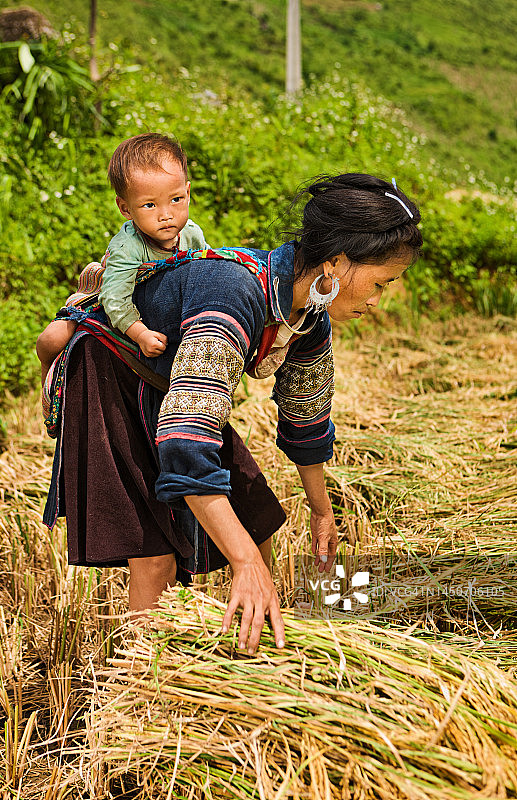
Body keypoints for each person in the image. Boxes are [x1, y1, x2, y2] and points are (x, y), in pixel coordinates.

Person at [42, 173, 422, 655]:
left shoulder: (306, 317)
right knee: (156, 552)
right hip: (112, 375)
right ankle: (140, 679)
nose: (376, 299)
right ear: (336, 264)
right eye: (380, 282)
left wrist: (321, 512)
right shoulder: (232, 294)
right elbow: (186, 442)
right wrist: (244, 564)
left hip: (170, 383)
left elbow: (306, 417)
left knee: (256, 517)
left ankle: (251, 646)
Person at [36, 134, 207, 382]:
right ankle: (47, 372)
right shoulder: (128, 246)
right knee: (53, 338)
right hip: (106, 295)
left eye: (176, 199)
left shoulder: (192, 234)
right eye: (150, 205)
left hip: (156, 301)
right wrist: (140, 334)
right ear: (126, 208)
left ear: (188, 192)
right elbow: (115, 300)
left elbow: (206, 270)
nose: (166, 215)